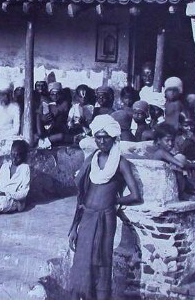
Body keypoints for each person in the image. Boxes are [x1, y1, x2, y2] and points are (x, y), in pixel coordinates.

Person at [68, 115, 141, 300]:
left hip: (106, 218)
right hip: (87, 217)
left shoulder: (120, 162)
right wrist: (73, 229)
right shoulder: (92, 159)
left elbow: (135, 195)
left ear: (114, 138)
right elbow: (81, 196)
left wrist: (116, 202)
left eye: (105, 137)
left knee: (102, 262)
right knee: (83, 262)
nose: (101, 141)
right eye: (98, 137)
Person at [36, 81, 69, 149]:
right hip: (45, 131)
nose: (55, 96)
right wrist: (42, 119)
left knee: (61, 136)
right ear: (49, 94)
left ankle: (45, 142)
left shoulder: (64, 104)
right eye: (52, 94)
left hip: (57, 131)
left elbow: (63, 122)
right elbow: (38, 117)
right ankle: (44, 141)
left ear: (61, 94)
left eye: (57, 94)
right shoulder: (44, 104)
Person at [0, 79, 20, 146]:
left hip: (11, 137)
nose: (6, 97)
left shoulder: (15, 107)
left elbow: (16, 129)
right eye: (3, 94)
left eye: (8, 94)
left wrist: (4, 136)